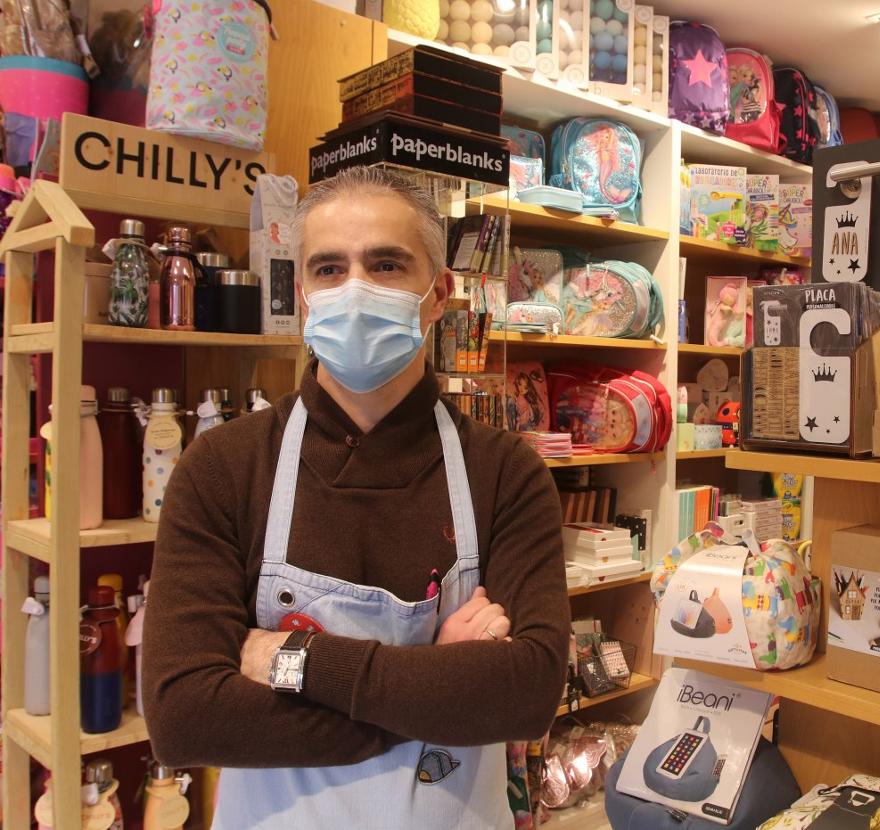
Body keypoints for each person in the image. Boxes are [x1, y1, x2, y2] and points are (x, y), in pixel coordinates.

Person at [143, 166, 571, 829]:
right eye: (329, 269)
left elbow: (526, 695)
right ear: (306, 297)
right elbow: (185, 716)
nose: (356, 289)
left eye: (387, 265)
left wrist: (290, 658)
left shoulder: (505, 474)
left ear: (439, 294)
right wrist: (436, 684)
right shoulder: (223, 468)